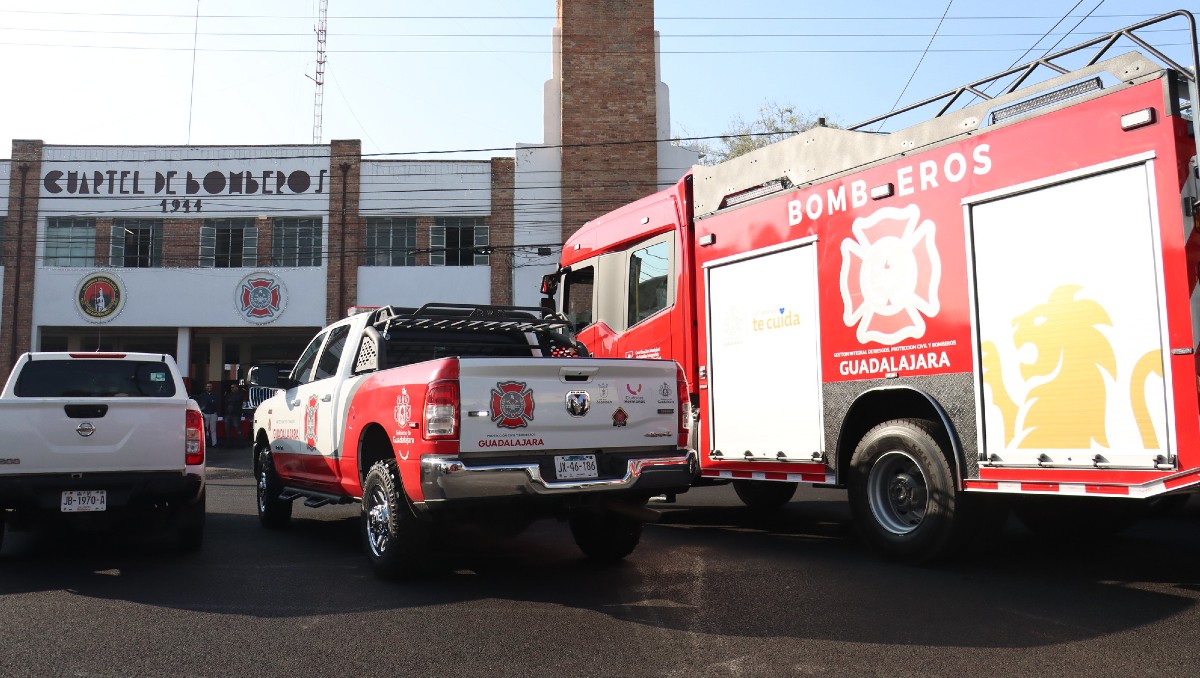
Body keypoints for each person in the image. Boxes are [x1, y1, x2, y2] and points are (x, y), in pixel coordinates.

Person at [196, 381, 220, 446]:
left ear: (212, 387)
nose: (209, 387)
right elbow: (200, 404)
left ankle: (214, 444)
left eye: (210, 386)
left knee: (213, 429)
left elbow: (217, 404)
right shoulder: (202, 395)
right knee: (204, 430)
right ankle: (204, 444)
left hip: (213, 414)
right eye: (208, 386)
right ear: (206, 387)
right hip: (205, 414)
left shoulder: (215, 395)